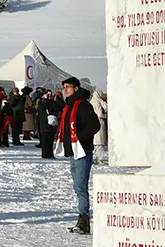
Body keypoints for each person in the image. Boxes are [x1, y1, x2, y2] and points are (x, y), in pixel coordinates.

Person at [58, 76, 100, 235]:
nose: (65, 90)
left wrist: (79, 138)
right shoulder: (68, 106)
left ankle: (84, 220)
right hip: (72, 152)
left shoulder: (82, 105)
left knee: (81, 186)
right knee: (77, 187)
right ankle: (82, 219)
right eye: (64, 87)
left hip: (82, 151)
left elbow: (94, 126)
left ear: (76, 88)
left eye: (68, 87)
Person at [90, 90, 108, 164]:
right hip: (100, 121)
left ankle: (94, 158)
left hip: (92, 122)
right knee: (100, 142)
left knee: (95, 142)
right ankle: (99, 158)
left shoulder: (91, 101)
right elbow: (106, 107)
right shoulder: (99, 101)